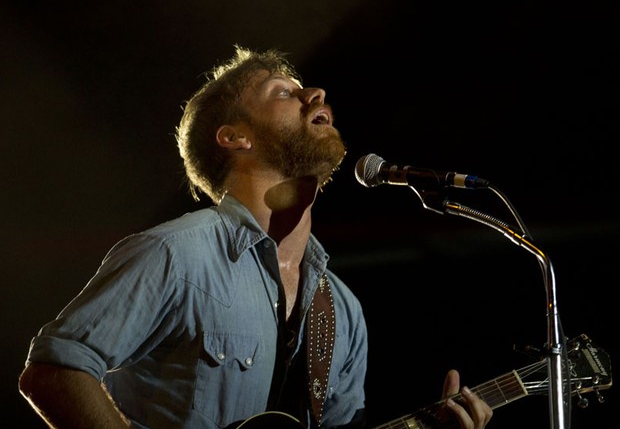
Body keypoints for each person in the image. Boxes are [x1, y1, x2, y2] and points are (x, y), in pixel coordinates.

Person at [18, 45, 493, 429]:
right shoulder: (176, 255)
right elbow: (56, 371)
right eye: (283, 92)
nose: (315, 93)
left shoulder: (341, 308)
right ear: (234, 137)